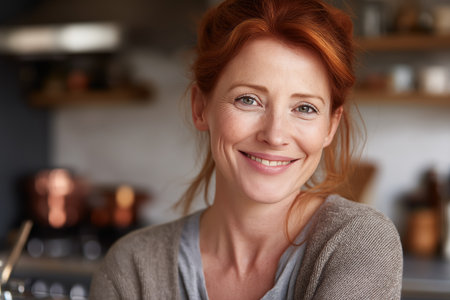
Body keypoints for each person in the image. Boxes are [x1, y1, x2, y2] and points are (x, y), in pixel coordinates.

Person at [89, 0, 403, 299]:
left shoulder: (356, 242)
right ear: (201, 107)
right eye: (248, 100)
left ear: (331, 126)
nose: (275, 135)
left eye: (305, 107)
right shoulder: (133, 267)